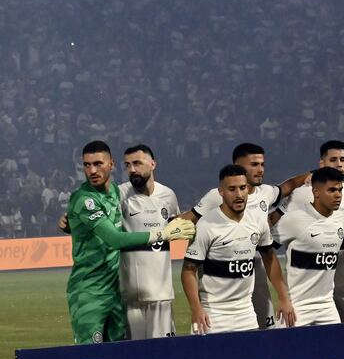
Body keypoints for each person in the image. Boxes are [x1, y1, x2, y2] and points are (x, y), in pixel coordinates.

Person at [66, 141, 194, 344]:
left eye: (98, 164)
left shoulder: (121, 194)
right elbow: (114, 238)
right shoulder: (113, 195)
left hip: (127, 293)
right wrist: (161, 234)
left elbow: (176, 223)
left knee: (128, 357)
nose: (92, 170)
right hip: (95, 292)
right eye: (87, 165)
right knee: (92, 356)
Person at [182, 143, 307, 329]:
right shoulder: (207, 222)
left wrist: (283, 297)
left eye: (242, 188)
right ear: (221, 192)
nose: (239, 194)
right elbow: (188, 268)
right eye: (232, 189)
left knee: (260, 344)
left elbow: (270, 257)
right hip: (214, 312)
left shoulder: (260, 213)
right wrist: (196, 309)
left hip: (246, 308)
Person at [273, 140, 344, 322]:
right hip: (307, 269)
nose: (338, 164)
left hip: (339, 261)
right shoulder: (302, 192)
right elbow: (279, 222)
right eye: (333, 159)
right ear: (321, 164)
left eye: (343, 159)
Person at [119, 144, 181, 339]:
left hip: (162, 294)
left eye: (137, 163)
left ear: (153, 164)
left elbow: (176, 225)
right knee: (133, 358)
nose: (132, 170)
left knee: (165, 357)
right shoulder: (120, 195)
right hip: (130, 297)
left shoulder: (168, 195)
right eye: (127, 165)